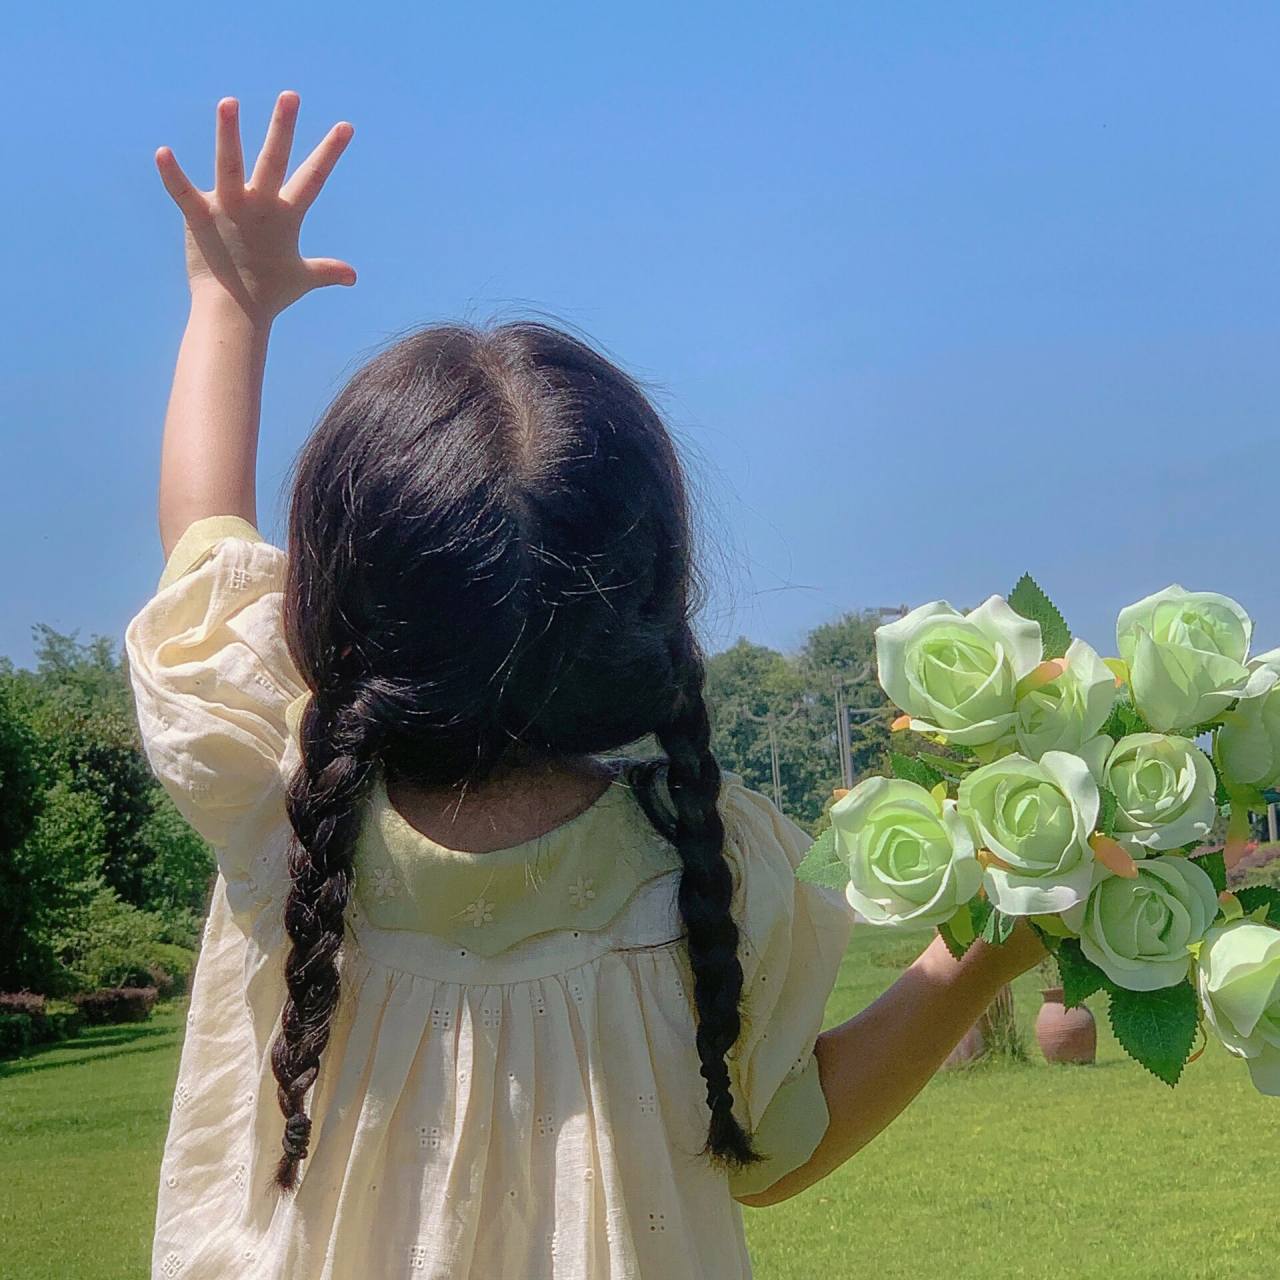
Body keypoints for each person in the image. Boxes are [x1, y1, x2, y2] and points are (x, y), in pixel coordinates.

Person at [126, 92, 1044, 1280]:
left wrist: (226, 302)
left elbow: (199, 537)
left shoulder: (271, 783)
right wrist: (983, 949)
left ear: (339, 596)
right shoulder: (705, 867)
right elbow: (775, 1142)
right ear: (650, 594)